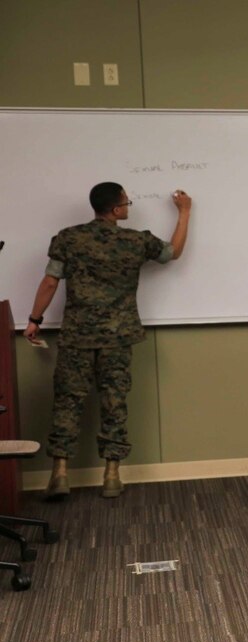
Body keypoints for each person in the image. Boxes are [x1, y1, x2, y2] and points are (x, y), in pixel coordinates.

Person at [25, 182, 193, 500]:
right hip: (118, 337)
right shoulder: (135, 241)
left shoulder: (69, 238)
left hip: (77, 335)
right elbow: (173, 252)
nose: (128, 206)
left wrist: (34, 319)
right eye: (126, 202)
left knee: (67, 402)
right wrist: (184, 213)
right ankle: (112, 475)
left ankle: (60, 473)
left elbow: (50, 282)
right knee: (114, 403)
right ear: (116, 209)